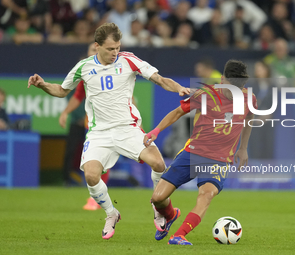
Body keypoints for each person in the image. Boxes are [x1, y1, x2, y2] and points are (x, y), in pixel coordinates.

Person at [28, 22, 191, 240]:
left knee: (160, 164)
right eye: (110, 49)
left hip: (128, 128)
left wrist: (178, 88)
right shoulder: (83, 67)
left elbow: (159, 79)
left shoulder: (128, 59)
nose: (115, 52)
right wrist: (42, 85)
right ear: (97, 46)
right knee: (92, 175)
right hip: (99, 133)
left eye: (117, 47)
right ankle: (111, 213)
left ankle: (160, 210)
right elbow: (61, 90)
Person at [144, 60, 257, 245]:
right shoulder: (206, 94)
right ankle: (171, 215)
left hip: (219, 160)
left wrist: (243, 147)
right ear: (222, 79)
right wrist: (156, 131)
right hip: (193, 153)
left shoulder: (249, 98)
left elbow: (250, 116)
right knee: (157, 198)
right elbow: (178, 112)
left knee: (206, 195)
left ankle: (179, 235)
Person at [59, 42, 107, 210]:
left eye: (96, 50)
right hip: (95, 124)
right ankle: (97, 198)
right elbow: (78, 96)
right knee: (97, 161)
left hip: (115, 122)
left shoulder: (115, 70)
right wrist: (65, 112)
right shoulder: (87, 74)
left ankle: (161, 198)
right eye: (91, 50)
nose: (94, 53)